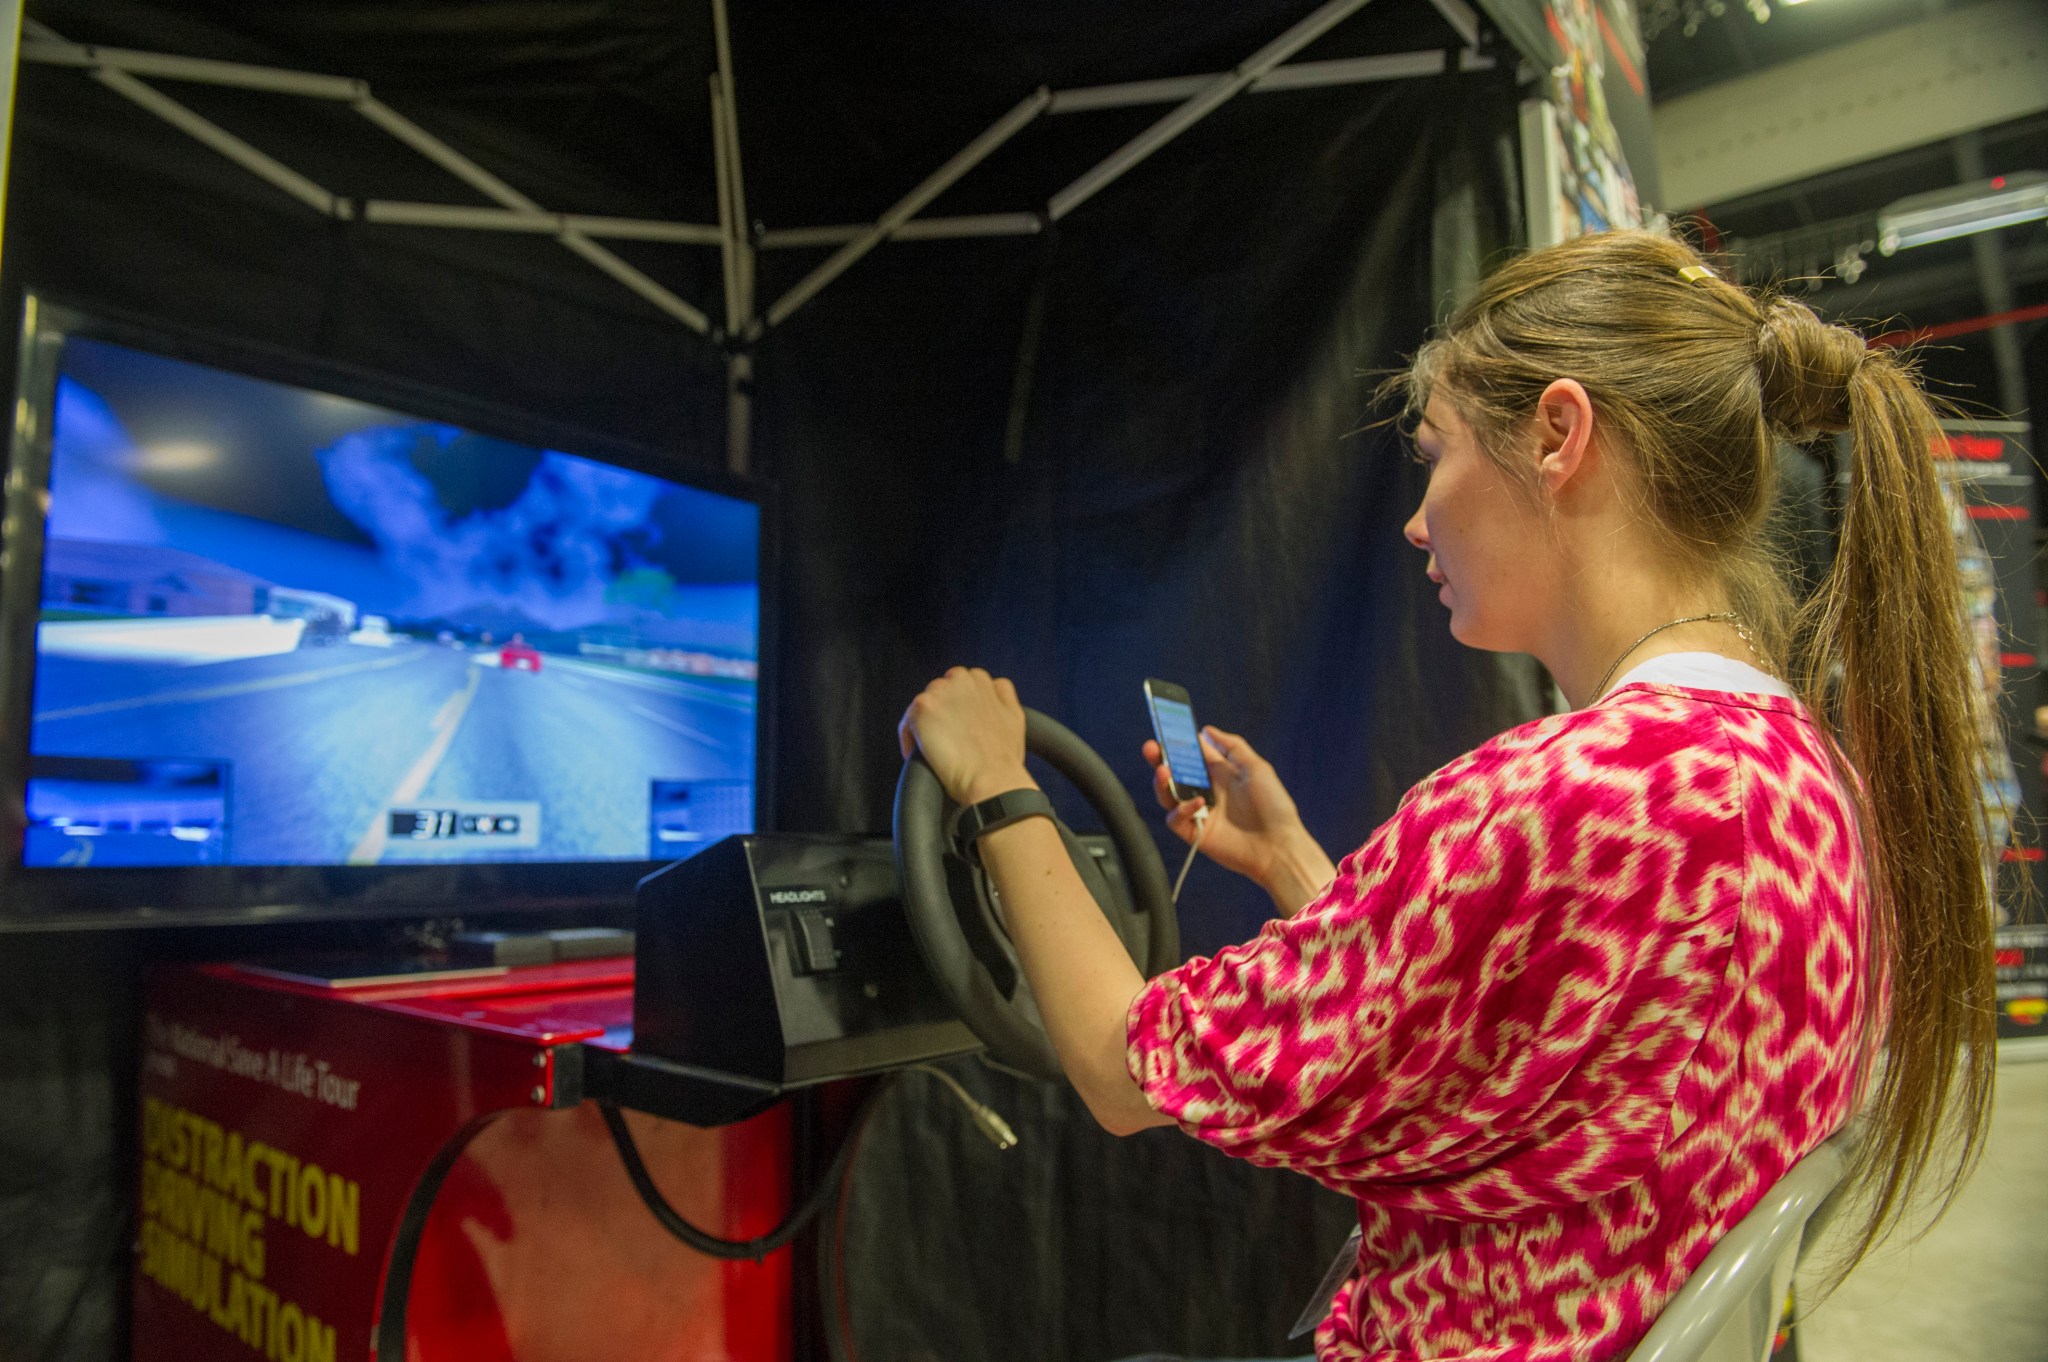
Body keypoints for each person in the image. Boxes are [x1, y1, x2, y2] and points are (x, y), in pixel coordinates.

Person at [896, 229, 1997, 1361]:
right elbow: (1533, 1039)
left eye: (1435, 454)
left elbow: (1126, 1069)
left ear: (1559, 435)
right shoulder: (1808, 780)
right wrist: (1291, 869)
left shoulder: (1559, 796)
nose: (1418, 519)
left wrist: (992, 781)